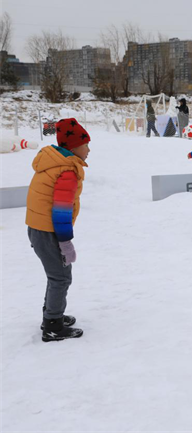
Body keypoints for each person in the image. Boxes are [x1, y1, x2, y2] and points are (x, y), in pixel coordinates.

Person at [26, 118, 90, 342]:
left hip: (38, 228)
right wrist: (65, 242)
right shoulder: (67, 171)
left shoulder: (52, 163)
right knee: (61, 278)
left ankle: (52, 316)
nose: (89, 150)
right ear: (73, 148)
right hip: (50, 231)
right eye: (86, 145)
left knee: (56, 276)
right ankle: (53, 325)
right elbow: (61, 212)